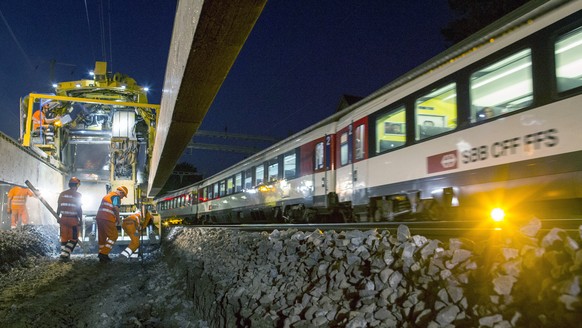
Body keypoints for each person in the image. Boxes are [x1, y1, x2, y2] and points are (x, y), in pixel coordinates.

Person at [96, 186, 128, 263]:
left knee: (102, 237)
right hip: (107, 218)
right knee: (114, 236)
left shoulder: (108, 195)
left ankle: (103, 258)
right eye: (123, 196)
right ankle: (103, 253)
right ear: (121, 192)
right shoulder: (116, 197)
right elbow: (115, 208)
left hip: (99, 218)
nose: (122, 198)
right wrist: (118, 219)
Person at [56, 177, 83, 262]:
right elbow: (79, 209)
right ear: (77, 185)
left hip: (63, 218)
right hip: (73, 220)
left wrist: (58, 217)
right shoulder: (78, 195)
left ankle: (65, 256)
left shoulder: (62, 194)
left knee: (64, 238)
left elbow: (59, 206)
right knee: (74, 239)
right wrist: (81, 219)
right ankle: (64, 255)